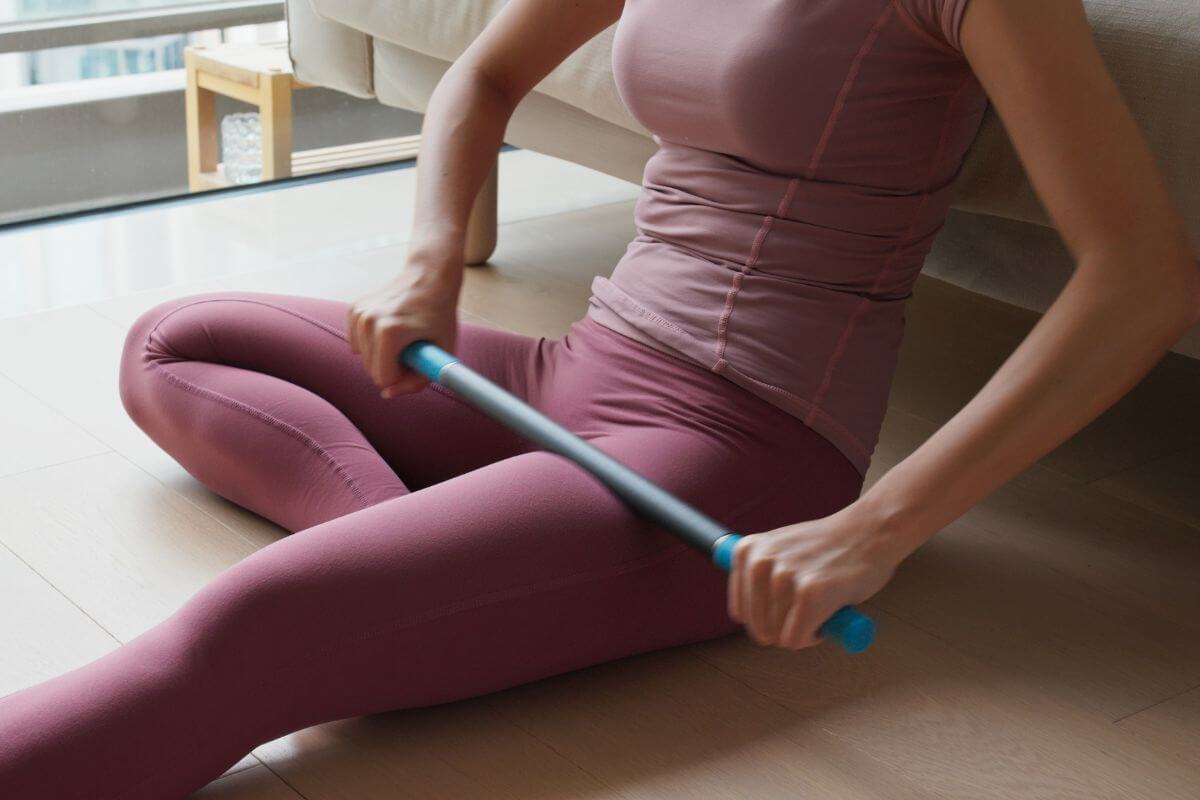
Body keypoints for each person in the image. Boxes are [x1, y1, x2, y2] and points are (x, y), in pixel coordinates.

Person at [2, 0, 1197, 796]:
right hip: (575, 364)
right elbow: (487, 70)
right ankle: (410, 578)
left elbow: (1142, 278)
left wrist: (874, 528)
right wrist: (426, 259)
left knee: (247, 634)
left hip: (735, 444)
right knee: (175, 340)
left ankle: (394, 592)